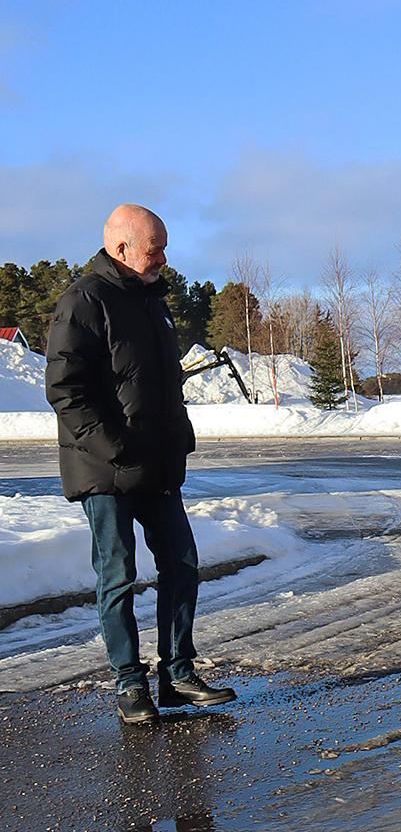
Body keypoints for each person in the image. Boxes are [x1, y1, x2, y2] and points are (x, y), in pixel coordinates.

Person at [46, 204, 236, 724]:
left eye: (165, 245)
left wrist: (178, 438)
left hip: (155, 463)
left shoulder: (153, 300)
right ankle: (130, 685)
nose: (164, 257)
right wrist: (115, 447)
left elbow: (161, 382)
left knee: (182, 564)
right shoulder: (83, 300)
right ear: (121, 248)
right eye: (155, 248)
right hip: (104, 468)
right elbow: (65, 389)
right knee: (118, 576)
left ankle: (177, 674)